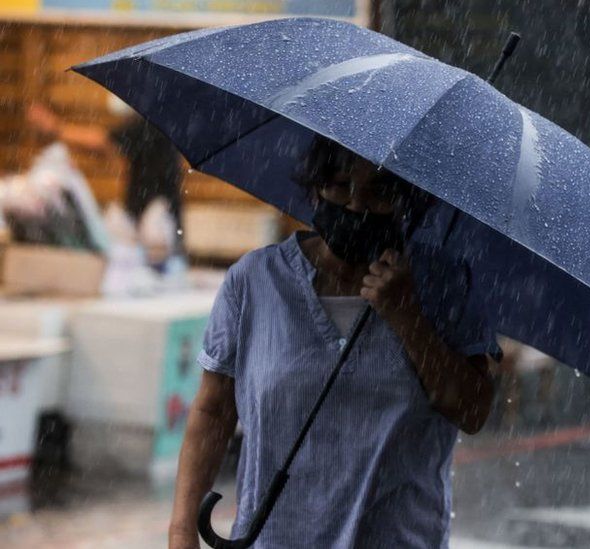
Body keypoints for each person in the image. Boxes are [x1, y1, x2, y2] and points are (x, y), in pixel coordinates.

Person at [168, 136, 499, 549]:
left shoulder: (445, 285)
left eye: (379, 193)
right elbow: (214, 410)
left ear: (408, 201)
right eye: (341, 185)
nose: (356, 206)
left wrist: (408, 316)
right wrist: (182, 530)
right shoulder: (254, 282)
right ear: (315, 187)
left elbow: (472, 410)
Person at [27, 97, 185, 243]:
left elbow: (101, 142)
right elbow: (108, 150)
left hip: (157, 229)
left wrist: (55, 128)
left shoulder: (147, 124)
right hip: (153, 221)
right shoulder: (156, 123)